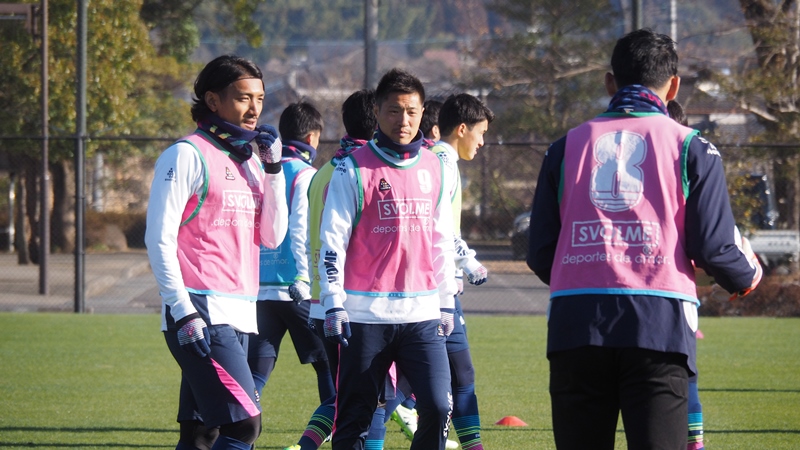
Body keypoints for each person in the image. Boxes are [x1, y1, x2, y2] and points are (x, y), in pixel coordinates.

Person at [527, 29, 762, 449]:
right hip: (658, 324)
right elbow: (713, 246)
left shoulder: (563, 148)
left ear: (610, 82)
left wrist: (586, 272)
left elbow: (541, 252)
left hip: (575, 322)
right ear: (674, 87)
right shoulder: (693, 147)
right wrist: (745, 277)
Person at [145, 54, 289, 450]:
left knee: (201, 434)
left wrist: (274, 171)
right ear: (212, 100)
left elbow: (273, 237)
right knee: (244, 426)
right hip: (201, 312)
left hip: (240, 312)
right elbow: (158, 238)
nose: (255, 109)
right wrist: (182, 310)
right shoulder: (185, 155)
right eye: (243, 98)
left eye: (260, 98)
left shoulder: (252, 162)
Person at [318, 68, 458, 450]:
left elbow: (442, 240)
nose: (403, 121)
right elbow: (332, 241)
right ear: (378, 112)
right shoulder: (352, 168)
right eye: (394, 111)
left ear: (422, 112)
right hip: (365, 317)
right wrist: (333, 302)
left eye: (411, 111)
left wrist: (446, 301)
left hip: (422, 315)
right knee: (354, 419)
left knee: (438, 406)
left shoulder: (436, 167)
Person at [283, 89, 380, 450]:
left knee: (350, 394)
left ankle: (306, 446)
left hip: (321, 300)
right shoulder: (365, 171)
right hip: (356, 303)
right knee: (372, 395)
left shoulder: (324, 171)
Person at [248, 102, 335, 418]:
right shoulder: (306, 174)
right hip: (297, 289)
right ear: (312, 137)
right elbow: (301, 229)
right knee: (327, 364)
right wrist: (303, 277)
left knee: (257, 370)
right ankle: (336, 429)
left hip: (261, 288)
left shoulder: (262, 170)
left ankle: (237, 431)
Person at [428, 92, 494, 450]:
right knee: (409, 384)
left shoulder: (442, 160)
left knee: (458, 373)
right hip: (433, 289)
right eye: (480, 133)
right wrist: (467, 260)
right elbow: (438, 227)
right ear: (463, 128)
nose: (482, 142)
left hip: (442, 287)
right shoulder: (441, 161)